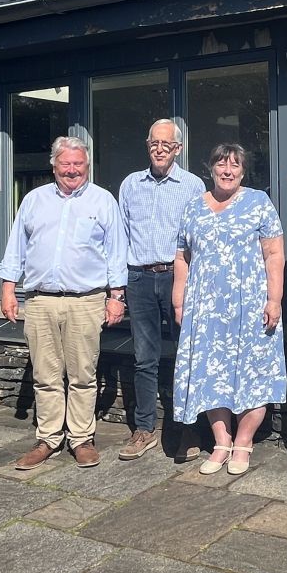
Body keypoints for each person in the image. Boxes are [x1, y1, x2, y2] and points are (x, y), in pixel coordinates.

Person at [0, 136, 128, 470]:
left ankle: (82, 439)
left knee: (83, 375)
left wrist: (116, 298)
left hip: (86, 301)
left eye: (79, 164)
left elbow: (116, 253)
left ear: (87, 165)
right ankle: (48, 439)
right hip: (40, 301)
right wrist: (8, 288)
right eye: (66, 164)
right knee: (45, 376)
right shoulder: (33, 200)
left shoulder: (103, 201)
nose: (72, 170)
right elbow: (17, 247)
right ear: (54, 165)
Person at [172, 143, 286, 475]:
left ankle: (244, 442)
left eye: (234, 165)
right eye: (221, 164)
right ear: (211, 169)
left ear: (243, 171)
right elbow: (183, 257)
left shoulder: (258, 203)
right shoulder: (194, 207)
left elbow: (274, 255)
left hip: (250, 308)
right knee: (211, 373)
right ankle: (221, 441)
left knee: (251, 373)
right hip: (205, 309)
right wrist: (179, 300)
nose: (227, 171)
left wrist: (274, 299)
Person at [116, 119, 206, 461]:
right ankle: (144, 429)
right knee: (144, 358)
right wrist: (118, 286)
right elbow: (121, 236)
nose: (159, 149)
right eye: (154, 143)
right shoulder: (130, 185)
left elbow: (199, 240)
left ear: (178, 149)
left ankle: (188, 429)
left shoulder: (193, 186)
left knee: (187, 355)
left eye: (166, 144)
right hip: (138, 279)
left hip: (177, 278)